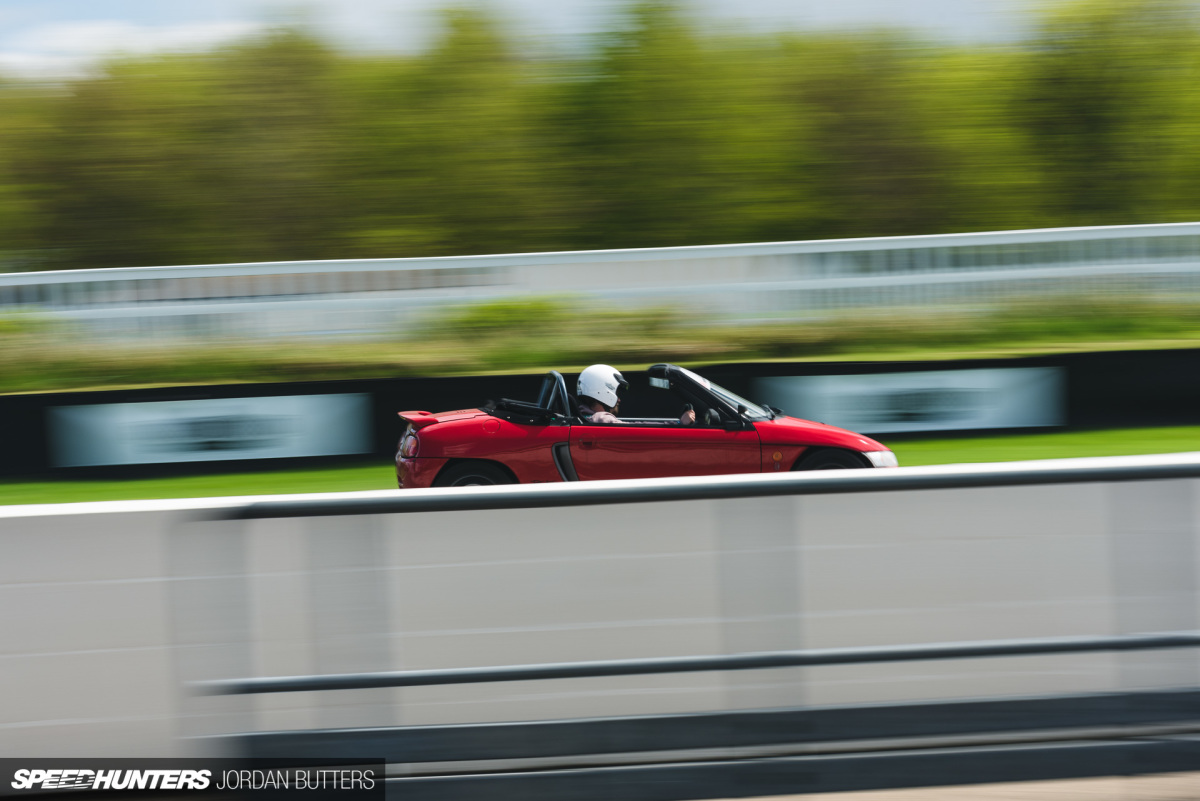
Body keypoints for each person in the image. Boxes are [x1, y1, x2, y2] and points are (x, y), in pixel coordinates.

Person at [577, 364, 696, 425]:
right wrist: (679, 423)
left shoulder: (584, 415)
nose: (619, 400)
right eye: (616, 393)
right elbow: (636, 429)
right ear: (603, 390)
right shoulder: (603, 419)